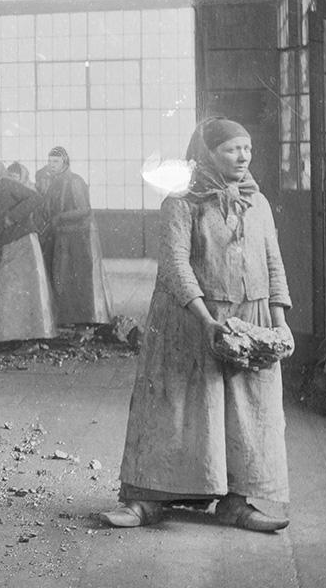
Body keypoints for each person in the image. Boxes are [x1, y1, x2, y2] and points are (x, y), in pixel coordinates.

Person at [104, 118, 293, 533]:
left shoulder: (256, 203)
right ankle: (147, 500)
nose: (242, 156)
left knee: (245, 414)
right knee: (176, 408)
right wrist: (206, 320)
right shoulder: (182, 202)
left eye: (247, 148)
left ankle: (236, 502)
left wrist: (279, 323)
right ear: (207, 153)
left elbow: (273, 261)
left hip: (250, 319)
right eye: (231, 149)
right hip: (189, 321)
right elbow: (174, 264)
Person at [0, 152, 57, 342]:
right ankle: (2, 337)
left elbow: (34, 198)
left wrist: (12, 217)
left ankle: (28, 338)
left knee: (14, 291)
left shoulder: (5, 184)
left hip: (20, 244)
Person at [36, 146, 114, 327]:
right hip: (63, 236)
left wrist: (59, 218)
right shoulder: (55, 182)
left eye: (55, 161)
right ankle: (69, 321)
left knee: (80, 280)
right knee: (62, 278)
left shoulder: (74, 181)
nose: (52, 165)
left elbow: (84, 210)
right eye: (49, 161)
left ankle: (86, 323)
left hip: (80, 238)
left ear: (65, 162)